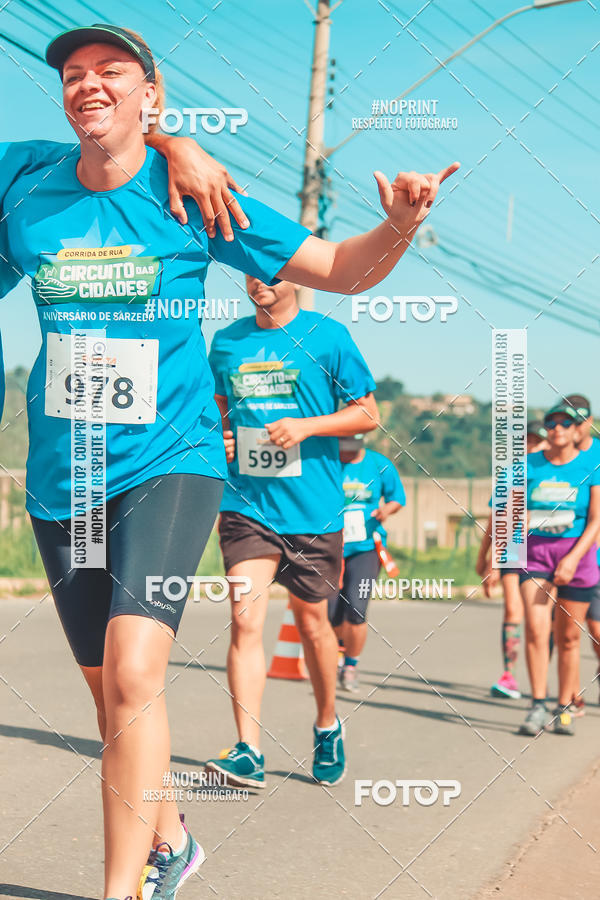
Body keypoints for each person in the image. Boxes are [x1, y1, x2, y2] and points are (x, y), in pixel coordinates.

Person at [0, 22, 459, 900]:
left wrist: (398, 225)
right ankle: (174, 839)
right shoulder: (23, 184)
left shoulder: (194, 196)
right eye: (73, 74)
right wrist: (174, 138)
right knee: (110, 694)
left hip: (169, 463)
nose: (88, 84)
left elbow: (338, 268)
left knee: (136, 674)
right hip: (67, 474)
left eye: (111, 71)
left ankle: (121, 889)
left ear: (149, 92)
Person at [204, 276, 379, 789]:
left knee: (312, 626)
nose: (258, 280)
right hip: (246, 506)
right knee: (245, 621)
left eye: (272, 272)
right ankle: (248, 750)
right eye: (250, 271)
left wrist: (305, 426)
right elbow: (216, 413)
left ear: (296, 278)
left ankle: (326, 723)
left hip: (312, 512)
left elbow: (368, 413)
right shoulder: (227, 341)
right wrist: (222, 440)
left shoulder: (328, 336)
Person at [516, 403, 600, 737]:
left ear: (578, 428)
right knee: (537, 630)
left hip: (577, 557)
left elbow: (595, 520)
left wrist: (573, 558)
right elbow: (511, 510)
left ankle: (564, 706)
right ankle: (537, 703)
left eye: (566, 423)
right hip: (536, 556)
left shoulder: (591, 465)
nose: (558, 428)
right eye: (552, 423)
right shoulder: (529, 465)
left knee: (568, 637)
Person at [476, 421, 548, 699]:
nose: (532, 446)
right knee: (513, 611)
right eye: (527, 441)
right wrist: (486, 558)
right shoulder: (510, 474)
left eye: (537, 441)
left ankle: (545, 676)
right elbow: (496, 519)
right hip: (513, 550)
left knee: (544, 620)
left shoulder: (554, 473)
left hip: (547, 553)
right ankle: (509, 676)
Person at [327, 434, 405, 692]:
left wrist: (386, 510)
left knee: (356, 607)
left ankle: (350, 665)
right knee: (331, 611)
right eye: (343, 447)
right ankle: (338, 656)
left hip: (366, 548)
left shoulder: (379, 464)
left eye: (352, 447)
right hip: (330, 547)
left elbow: (397, 498)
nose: (347, 454)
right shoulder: (328, 461)